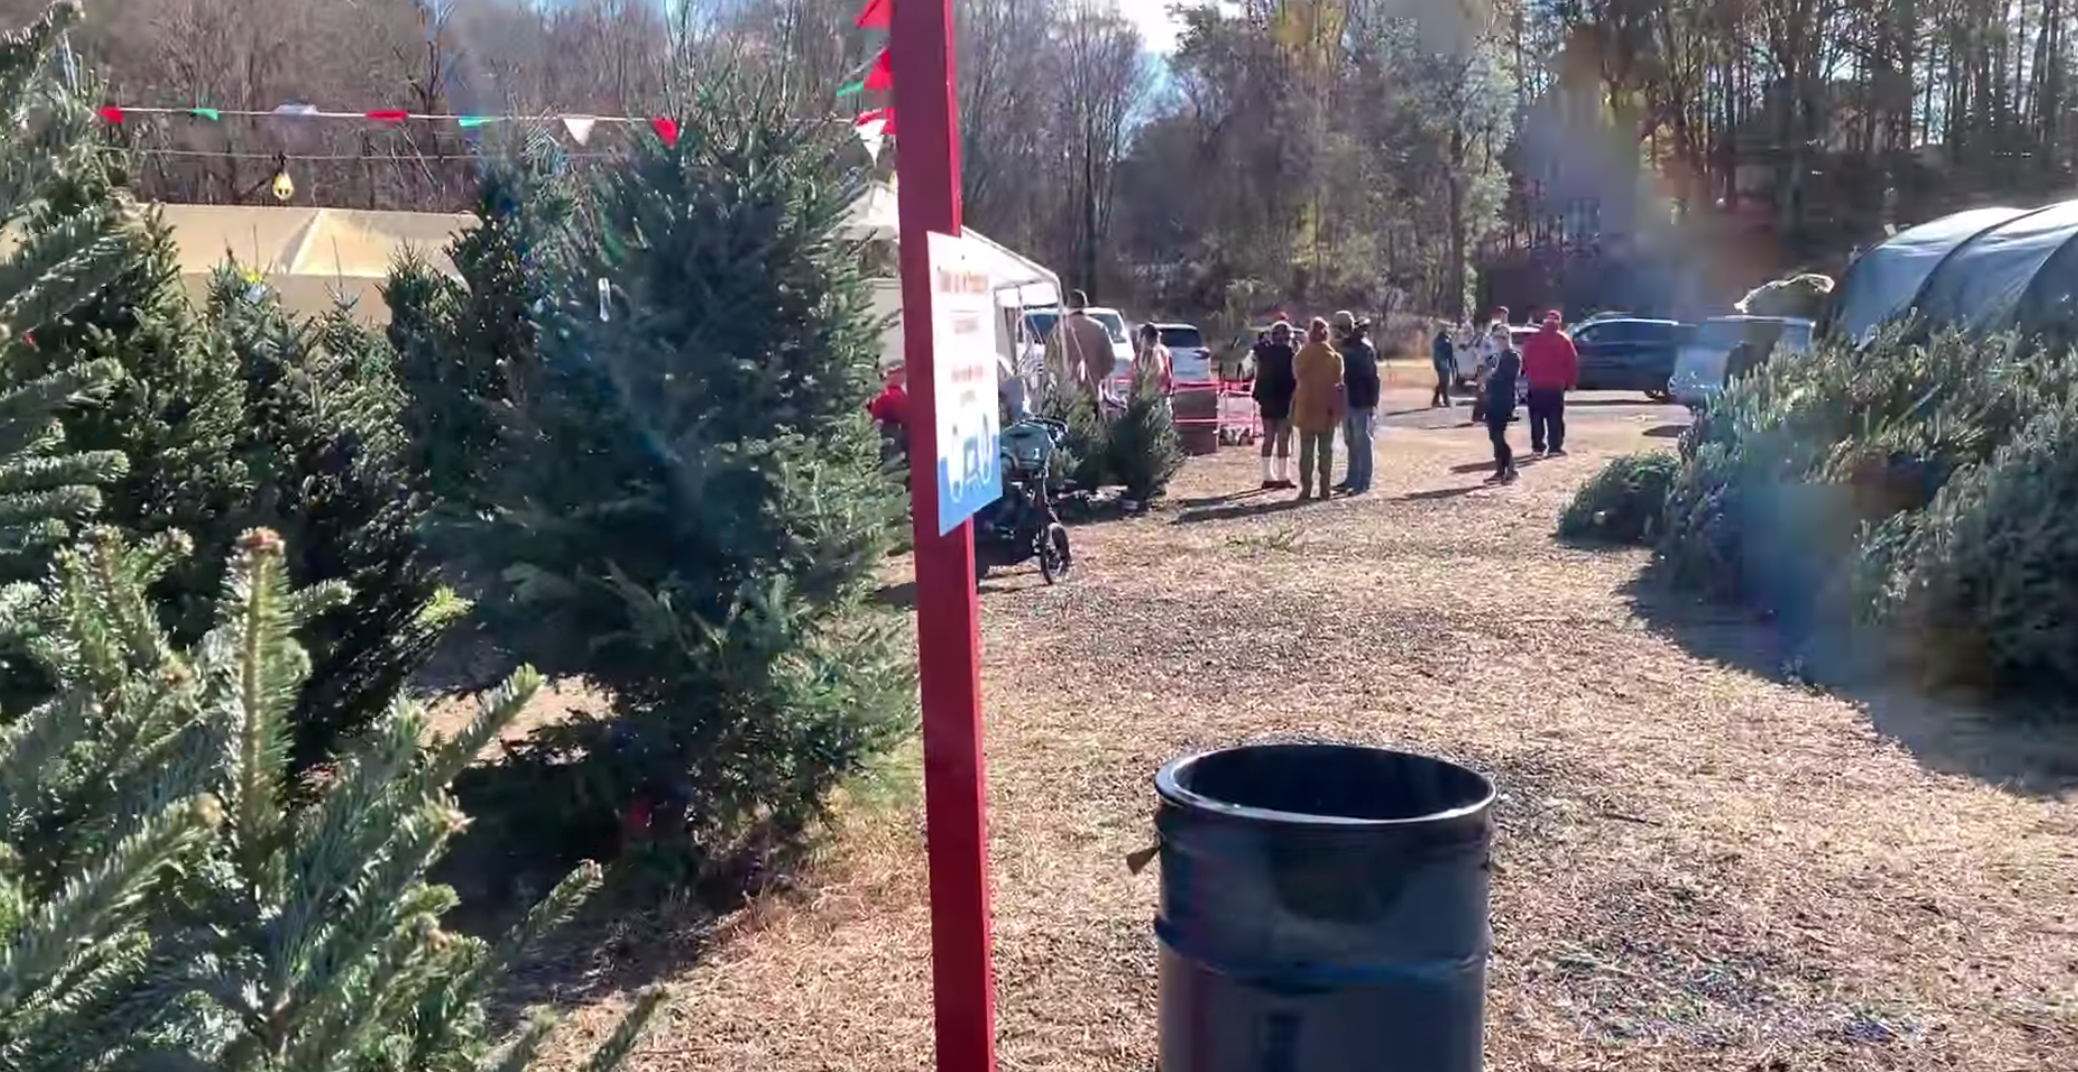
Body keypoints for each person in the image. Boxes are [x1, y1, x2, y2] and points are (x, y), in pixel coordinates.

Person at [1291, 317, 1345, 500]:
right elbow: (1339, 384)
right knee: (1326, 451)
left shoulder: (1301, 356)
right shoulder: (1335, 358)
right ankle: (1325, 488)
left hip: (1306, 407)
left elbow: (1296, 375)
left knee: (1306, 451)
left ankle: (1306, 488)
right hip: (1327, 408)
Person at [1521, 309, 1578, 456]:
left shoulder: (1533, 339)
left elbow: (1525, 360)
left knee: (1536, 418)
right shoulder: (1563, 339)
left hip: (1536, 384)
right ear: (1559, 322)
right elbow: (1571, 362)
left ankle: (1538, 447)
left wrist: (1528, 375)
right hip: (1555, 385)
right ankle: (1554, 447)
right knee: (1555, 417)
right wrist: (1571, 382)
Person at [1334, 311, 1379, 494]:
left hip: (1361, 399)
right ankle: (1352, 478)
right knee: (1350, 440)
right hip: (1347, 398)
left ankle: (1363, 481)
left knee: (1362, 441)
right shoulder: (1344, 346)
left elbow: (1372, 377)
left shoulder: (1363, 348)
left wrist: (1372, 401)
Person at [1250, 321, 1298, 489]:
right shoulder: (1291, 355)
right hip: (1285, 400)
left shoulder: (1264, 354)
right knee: (1284, 439)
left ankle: (1267, 476)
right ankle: (1283, 476)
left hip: (1268, 401)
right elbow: (1294, 380)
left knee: (1268, 438)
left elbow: (1259, 377)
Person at [1044, 289, 1117, 399]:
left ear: (1067, 306)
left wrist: (1059, 376)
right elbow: (1110, 361)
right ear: (1085, 305)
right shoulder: (1099, 328)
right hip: (1092, 391)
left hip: (1066, 393)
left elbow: (1049, 361)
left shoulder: (1058, 330)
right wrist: (1097, 375)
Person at [1480, 322, 1522, 483]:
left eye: (1502, 337)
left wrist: (1489, 379)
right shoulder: (1496, 357)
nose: (1499, 340)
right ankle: (1500, 471)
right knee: (1494, 436)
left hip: (1504, 400)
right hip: (1493, 399)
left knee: (1498, 436)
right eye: (1496, 337)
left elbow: (1505, 378)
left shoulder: (1512, 356)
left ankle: (1511, 469)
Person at [1133, 322, 1175, 398]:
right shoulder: (1139, 356)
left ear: (1144, 339)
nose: (1138, 342)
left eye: (1140, 339)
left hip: (1158, 400)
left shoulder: (1162, 354)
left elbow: (1167, 379)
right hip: (1144, 399)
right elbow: (1134, 380)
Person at [1430, 324, 1456, 407]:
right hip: (1444, 363)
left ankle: (1437, 400)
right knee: (1444, 383)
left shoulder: (1436, 341)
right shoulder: (1447, 341)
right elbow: (1450, 355)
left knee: (1442, 382)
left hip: (1438, 363)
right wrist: (1452, 368)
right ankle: (1444, 401)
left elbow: (1435, 354)